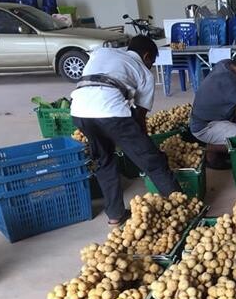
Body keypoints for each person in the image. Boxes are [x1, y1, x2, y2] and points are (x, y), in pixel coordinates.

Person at [70, 35, 181, 226]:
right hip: (112, 113)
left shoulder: (102, 52)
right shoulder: (144, 74)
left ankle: (115, 215)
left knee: (104, 161)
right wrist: (144, 149)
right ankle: (181, 208)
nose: (150, 67)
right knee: (153, 162)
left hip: (79, 111)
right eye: (151, 62)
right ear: (147, 56)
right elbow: (139, 117)